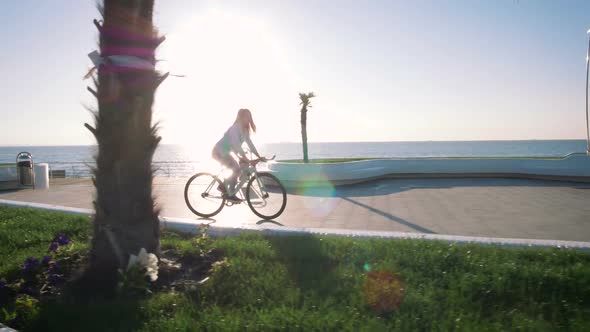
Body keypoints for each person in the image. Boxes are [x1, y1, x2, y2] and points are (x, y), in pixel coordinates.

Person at [212, 108, 262, 202]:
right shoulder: (235, 128)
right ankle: (227, 191)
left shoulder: (245, 130)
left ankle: (226, 189)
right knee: (236, 168)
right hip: (218, 151)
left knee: (240, 169)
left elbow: (249, 143)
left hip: (225, 153)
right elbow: (236, 145)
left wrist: (258, 156)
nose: (248, 118)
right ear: (241, 117)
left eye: (249, 116)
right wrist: (244, 157)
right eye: (246, 116)